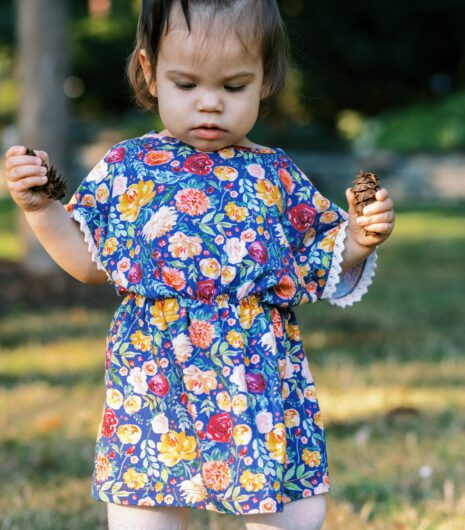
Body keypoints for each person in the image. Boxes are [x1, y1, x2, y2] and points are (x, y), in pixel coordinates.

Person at [4, 1, 395, 529]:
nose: (209, 103)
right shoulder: (129, 167)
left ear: (265, 78)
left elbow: (318, 258)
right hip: (156, 379)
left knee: (292, 512)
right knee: (147, 509)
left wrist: (360, 238)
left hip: (255, 379)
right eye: (186, 84)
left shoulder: (275, 175)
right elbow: (87, 261)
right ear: (150, 72)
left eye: (234, 86)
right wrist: (40, 208)